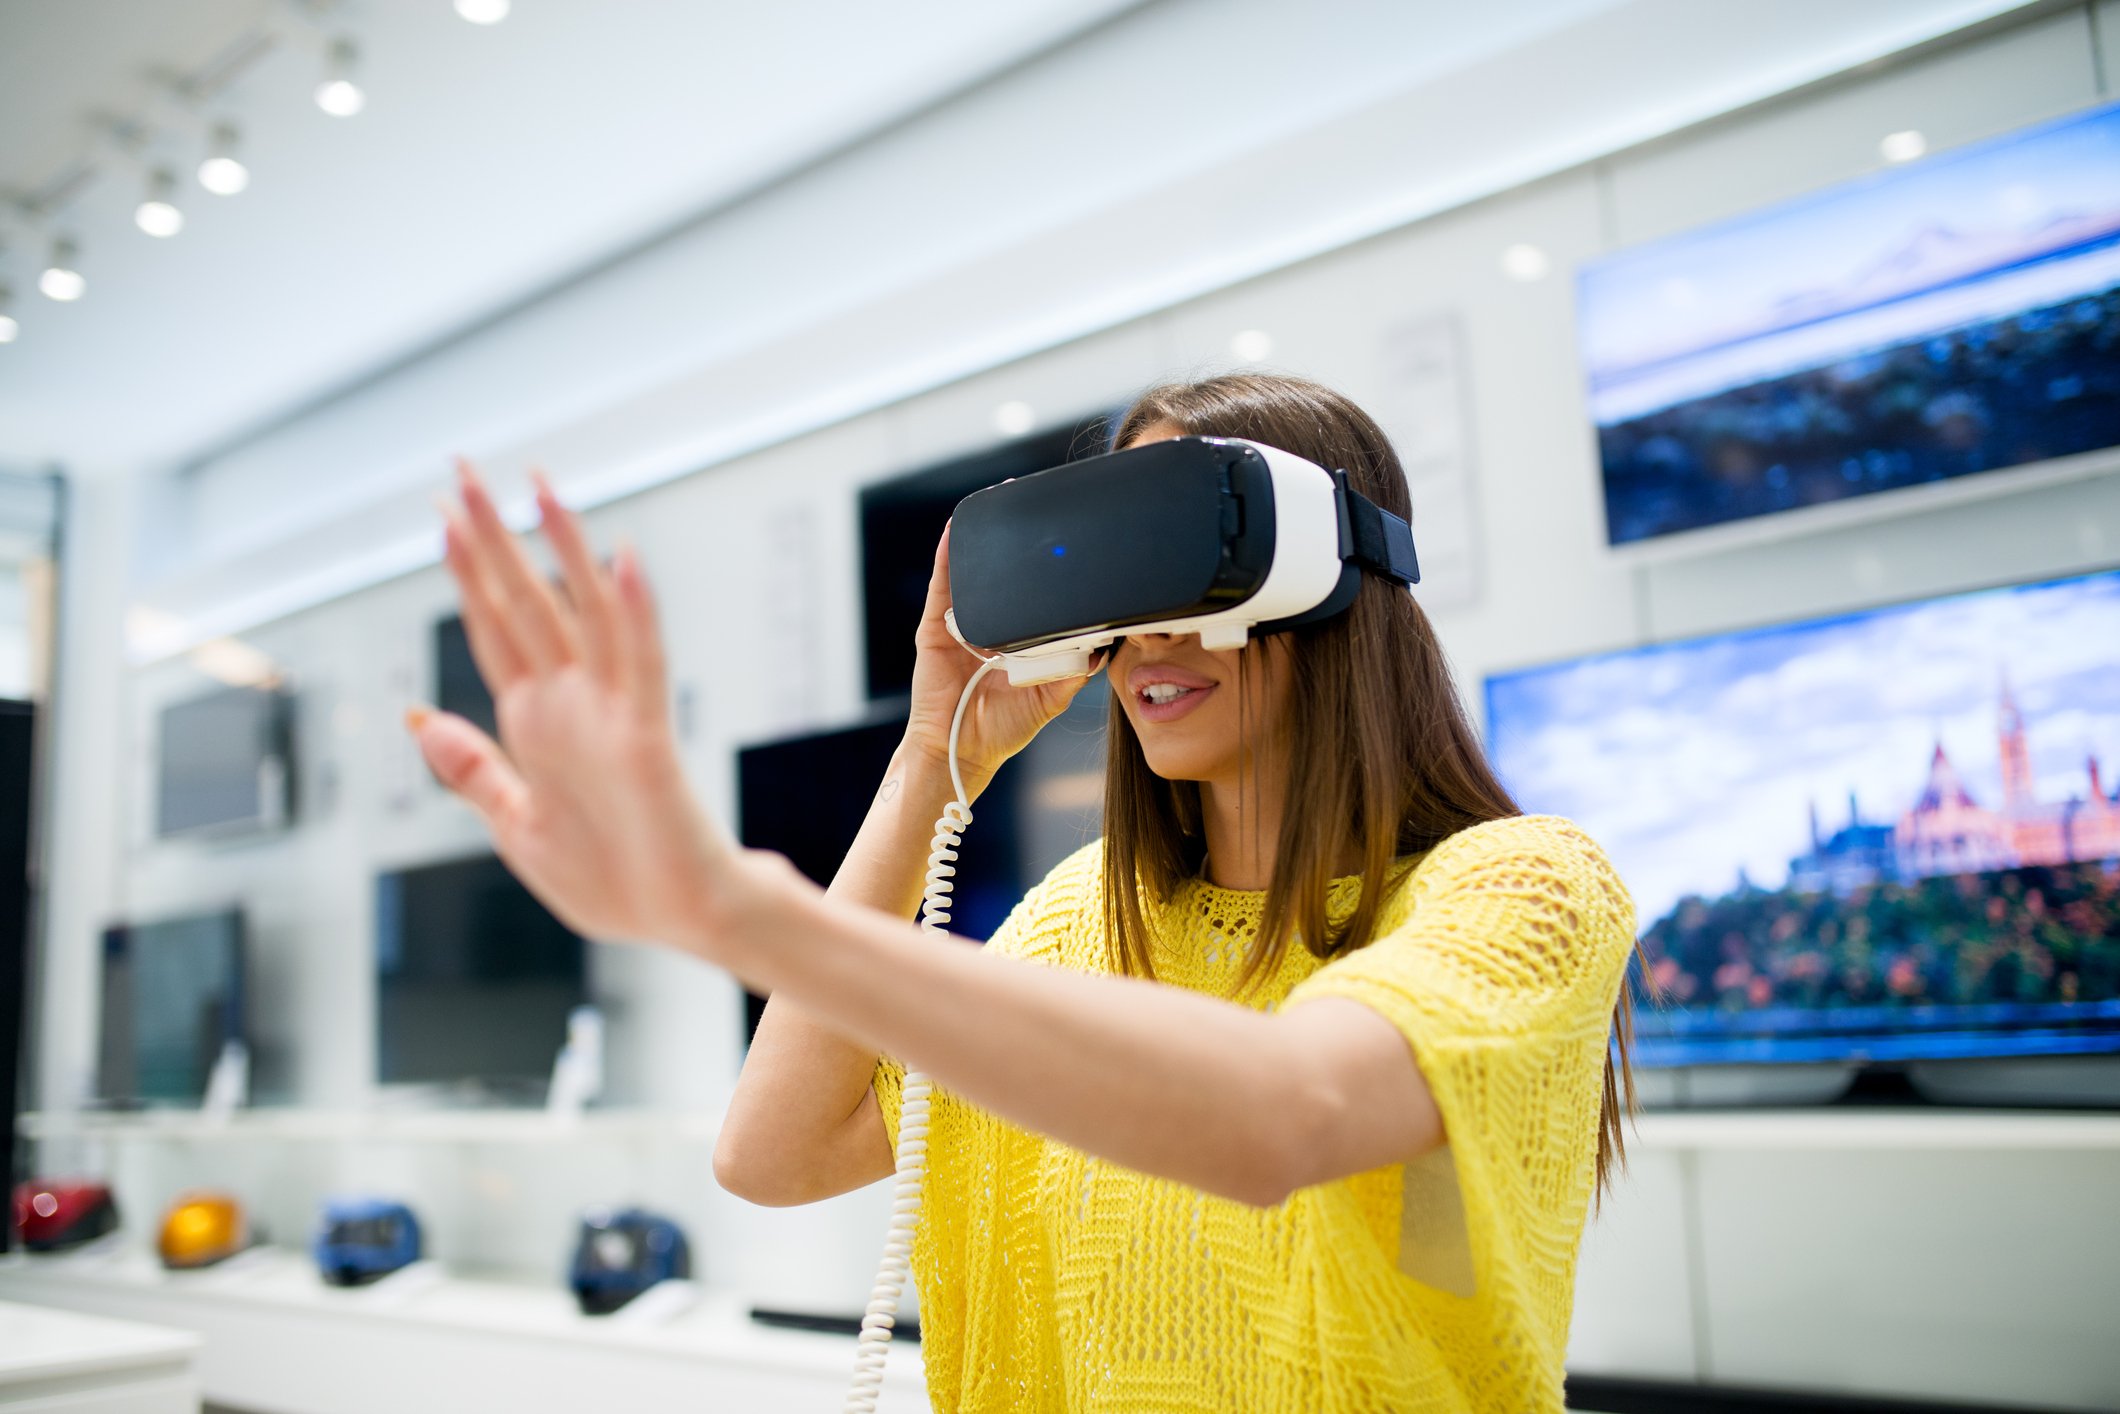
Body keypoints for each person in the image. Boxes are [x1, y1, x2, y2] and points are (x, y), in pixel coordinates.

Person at [412, 372, 1640, 1413]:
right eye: (1118, 587)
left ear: (1325, 567)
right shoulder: (1077, 914)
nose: (1146, 631)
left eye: (1186, 557)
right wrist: (926, 760)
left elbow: (1283, 1114)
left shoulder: (1521, 890)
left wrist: (734, 907)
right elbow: (773, 1151)